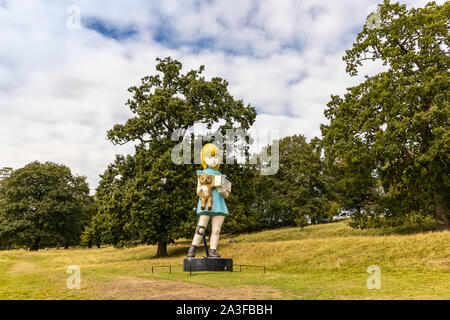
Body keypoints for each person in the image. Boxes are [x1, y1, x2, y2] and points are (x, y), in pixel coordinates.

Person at [187, 143, 230, 258]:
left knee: (216, 230)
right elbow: (197, 191)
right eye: (210, 157)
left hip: (219, 205)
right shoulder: (201, 174)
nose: (214, 160)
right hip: (205, 204)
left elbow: (226, 194)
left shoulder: (222, 177)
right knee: (200, 228)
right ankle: (192, 251)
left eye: (216, 157)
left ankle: (212, 251)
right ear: (204, 158)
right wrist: (203, 189)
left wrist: (221, 191)